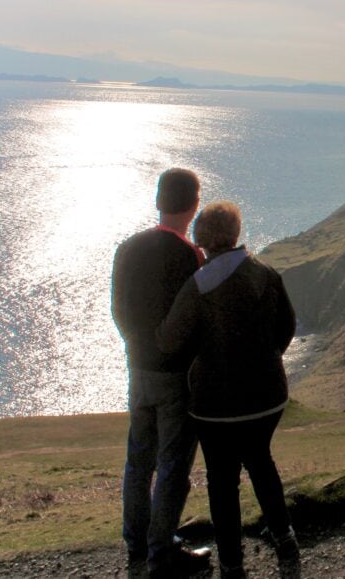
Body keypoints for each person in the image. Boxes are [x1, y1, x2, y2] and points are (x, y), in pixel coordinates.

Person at [157, 201, 300, 579]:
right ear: (235, 232)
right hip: (267, 397)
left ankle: (232, 564)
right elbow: (286, 327)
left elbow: (170, 341)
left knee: (222, 480)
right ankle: (286, 540)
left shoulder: (198, 286)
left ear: (202, 239)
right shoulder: (265, 274)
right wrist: (265, 360)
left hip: (215, 404)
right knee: (261, 463)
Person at [111, 168, 212, 578]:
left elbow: (118, 308)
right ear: (193, 205)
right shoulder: (188, 255)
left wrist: (136, 345)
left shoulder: (128, 248)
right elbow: (195, 319)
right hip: (173, 375)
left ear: (158, 200)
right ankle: (161, 552)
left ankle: (135, 540)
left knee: (139, 459)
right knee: (172, 463)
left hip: (138, 367)